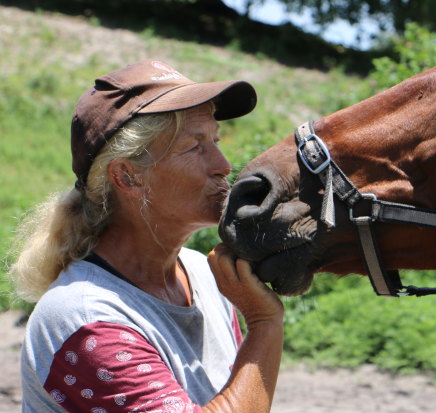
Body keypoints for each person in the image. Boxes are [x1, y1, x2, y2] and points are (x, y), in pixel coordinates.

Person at [9, 59, 284, 413]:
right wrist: (264, 324)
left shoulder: (205, 275)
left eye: (215, 140)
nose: (223, 165)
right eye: (195, 147)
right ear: (127, 177)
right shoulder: (86, 318)